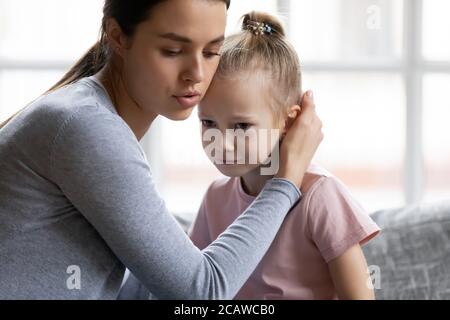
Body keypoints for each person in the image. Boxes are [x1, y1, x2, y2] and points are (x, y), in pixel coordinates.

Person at [0, 0, 322, 299]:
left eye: (212, 52)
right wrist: (286, 180)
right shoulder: (87, 128)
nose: (196, 74)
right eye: (172, 50)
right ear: (117, 36)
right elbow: (202, 292)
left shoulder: (88, 115)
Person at [189, 11, 380, 300]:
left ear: (288, 122)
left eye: (241, 126)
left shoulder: (320, 196)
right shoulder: (215, 198)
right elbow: (191, 291)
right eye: (208, 123)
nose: (223, 144)